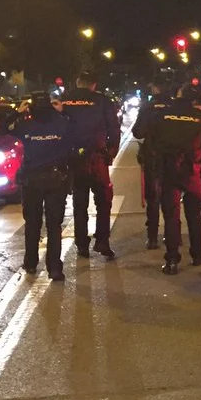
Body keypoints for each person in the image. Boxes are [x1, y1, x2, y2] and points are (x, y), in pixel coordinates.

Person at [147, 86, 201, 274]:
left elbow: (150, 139)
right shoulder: (200, 117)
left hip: (167, 169)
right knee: (194, 215)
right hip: (192, 170)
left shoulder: (162, 114)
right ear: (194, 100)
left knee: (171, 216)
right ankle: (197, 254)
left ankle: (171, 260)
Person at [11, 92, 74, 281]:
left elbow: (3, 130)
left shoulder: (25, 125)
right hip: (56, 179)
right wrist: (63, 111)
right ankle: (54, 268)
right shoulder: (62, 122)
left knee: (32, 223)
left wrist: (16, 112)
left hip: (32, 181)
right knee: (54, 225)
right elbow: (75, 140)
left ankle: (30, 263)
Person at [60, 71, 120, 259]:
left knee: (80, 203)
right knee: (103, 201)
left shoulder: (65, 99)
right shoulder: (102, 101)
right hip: (97, 158)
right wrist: (111, 153)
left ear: (78, 82)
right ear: (94, 84)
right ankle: (102, 241)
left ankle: (82, 245)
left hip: (74, 159)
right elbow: (114, 129)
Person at [132, 77, 171, 249]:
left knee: (153, 198)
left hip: (153, 157)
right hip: (173, 157)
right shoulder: (176, 107)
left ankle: (153, 237)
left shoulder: (147, 107)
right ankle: (172, 235)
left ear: (155, 89)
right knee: (172, 198)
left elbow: (138, 132)